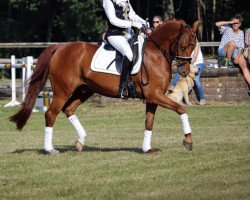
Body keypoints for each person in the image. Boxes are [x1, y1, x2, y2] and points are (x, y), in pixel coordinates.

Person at [103, 0, 146, 99]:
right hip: (115, 35)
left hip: (128, 35)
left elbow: (132, 15)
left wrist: (144, 22)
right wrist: (132, 24)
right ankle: (122, 88)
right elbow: (113, 19)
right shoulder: (108, 1)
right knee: (129, 54)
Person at [215, 14, 250, 94]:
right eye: (234, 23)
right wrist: (231, 21)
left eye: (237, 23)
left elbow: (241, 47)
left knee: (244, 65)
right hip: (223, 50)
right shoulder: (227, 27)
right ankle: (228, 61)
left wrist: (237, 57)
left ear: (240, 24)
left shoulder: (241, 33)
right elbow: (217, 24)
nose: (235, 24)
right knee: (232, 43)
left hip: (234, 51)